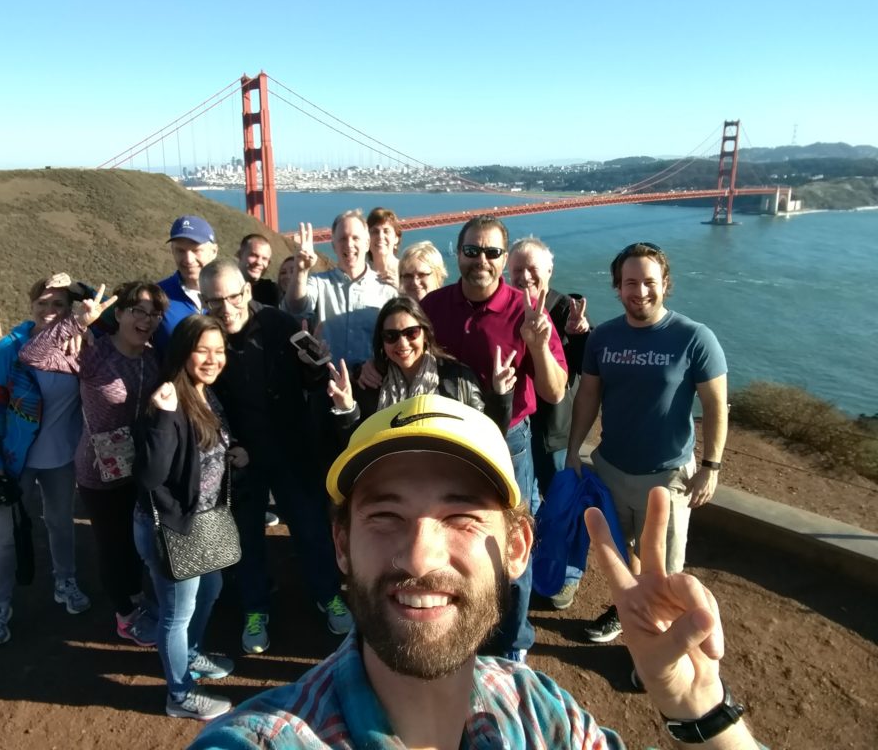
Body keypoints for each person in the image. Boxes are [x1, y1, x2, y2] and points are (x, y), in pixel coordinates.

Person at [190, 395, 760, 749]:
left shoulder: (539, 711)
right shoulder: (264, 742)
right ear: (341, 545)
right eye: (385, 517)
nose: (419, 558)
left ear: (517, 548)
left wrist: (699, 709)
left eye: (461, 517)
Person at [420, 214, 568, 661]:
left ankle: (511, 643)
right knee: (452, 537)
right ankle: (461, 626)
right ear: (457, 253)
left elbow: (554, 391)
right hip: (449, 439)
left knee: (510, 546)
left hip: (509, 441)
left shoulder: (527, 310)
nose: (480, 260)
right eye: (471, 250)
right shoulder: (434, 304)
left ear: (504, 258)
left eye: (491, 252)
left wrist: (538, 344)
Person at [565, 242, 728, 646]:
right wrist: (574, 450)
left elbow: (715, 404)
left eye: (649, 282)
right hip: (612, 468)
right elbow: (588, 396)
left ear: (665, 285)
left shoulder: (694, 338)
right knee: (622, 554)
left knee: (668, 570)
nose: (640, 292)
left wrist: (711, 466)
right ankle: (626, 611)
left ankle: (663, 642)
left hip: (668, 475)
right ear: (617, 287)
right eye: (630, 283)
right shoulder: (603, 337)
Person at [199, 258, 352, 654]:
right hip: (240, 458)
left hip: (290, 448)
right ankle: (254, 608)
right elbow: (198, 397)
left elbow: (313, 383)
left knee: (310, 528)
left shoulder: (280, 325)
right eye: (215, 301)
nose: (226, 308)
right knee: (245, 537)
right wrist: (229, 446)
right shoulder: (203, 338)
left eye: (233, 297)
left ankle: (328, 594)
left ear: (246, 292)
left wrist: (316, 366)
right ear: (204, 301)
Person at [19, 280, 168, 647]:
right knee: (115, 544)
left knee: (140, 542)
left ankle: (138, 599)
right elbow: (33, 356)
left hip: (141, 465)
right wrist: (77, 322)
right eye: (138, 311)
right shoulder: (93, 353)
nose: (146, 320)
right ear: (117, 314)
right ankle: (126, 615)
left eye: (154, 313)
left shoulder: (152, 357)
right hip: (98, 470)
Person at [133, 315, 240, 720]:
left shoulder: (204, 393)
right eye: (203, 350)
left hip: (203, 520)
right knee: (177, 614)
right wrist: (161, 418)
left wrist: (235, 453)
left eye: (219, 351)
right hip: (173, 526)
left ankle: (191, 655)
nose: (213, 359)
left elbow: (210, 444)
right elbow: (148, 476)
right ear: (183, 352)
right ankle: (179, 695)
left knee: (209, 592)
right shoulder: (167, 399)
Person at [0, 275, 90, 646]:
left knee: (60, 523)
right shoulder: (10, 348)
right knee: (8, 534)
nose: (49, 311)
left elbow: (108, 311)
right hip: (15, 459)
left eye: (58, 304)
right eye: (42, 303)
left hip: (61, 457)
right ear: (30, 306)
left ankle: (65, 581)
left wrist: (78, 286)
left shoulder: (78, 345)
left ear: (70, 309)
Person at [508, 237, 592, 610]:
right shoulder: (504, 307)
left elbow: (582, 370)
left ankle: (569, 576)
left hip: (554, 431)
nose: (525, 277)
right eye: (517, 270)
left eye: (533, 270)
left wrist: (579, 335)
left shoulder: (562, 308)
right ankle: (538, 567)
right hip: (519, 429)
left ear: (549, 272)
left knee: (564, 504)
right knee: (531, 505)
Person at [326, 295, 514, 437]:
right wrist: (347, 409)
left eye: (411, 333)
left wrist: (501, 395)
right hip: (392, 482)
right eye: (391, 336)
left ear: (425, 334)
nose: (402, 343)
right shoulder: (371, 381)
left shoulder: (456, 378)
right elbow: (358, 446)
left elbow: (488, 436)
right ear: (381, 341)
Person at [281, 210, 397, 371]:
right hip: (327, 384)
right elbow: (295, 308)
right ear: (333, 245)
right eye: (343, 238)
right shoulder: (319, 283)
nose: (349, 244)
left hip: (371, 385)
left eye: (355, 238)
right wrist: (300, 270)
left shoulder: (386, 290)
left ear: (367, 243)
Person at [156, 215, 219, 350]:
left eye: (196, 250)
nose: (188, 259)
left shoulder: (231, 296)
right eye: (180, 250)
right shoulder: (156, 295)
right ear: (172, 251)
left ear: (214, 251)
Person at [236, 233, 280, 306]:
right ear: (239, 255)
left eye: (264, 258)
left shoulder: (271, 291)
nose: (259, 262)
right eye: (254, 255)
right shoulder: (224, 286)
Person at [366, 207, 402, 286]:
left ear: (396, 238)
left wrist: (402, 288)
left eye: (386, 231)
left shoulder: (407, 272)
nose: (380, 236)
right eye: (375, 231)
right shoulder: (360, 273)